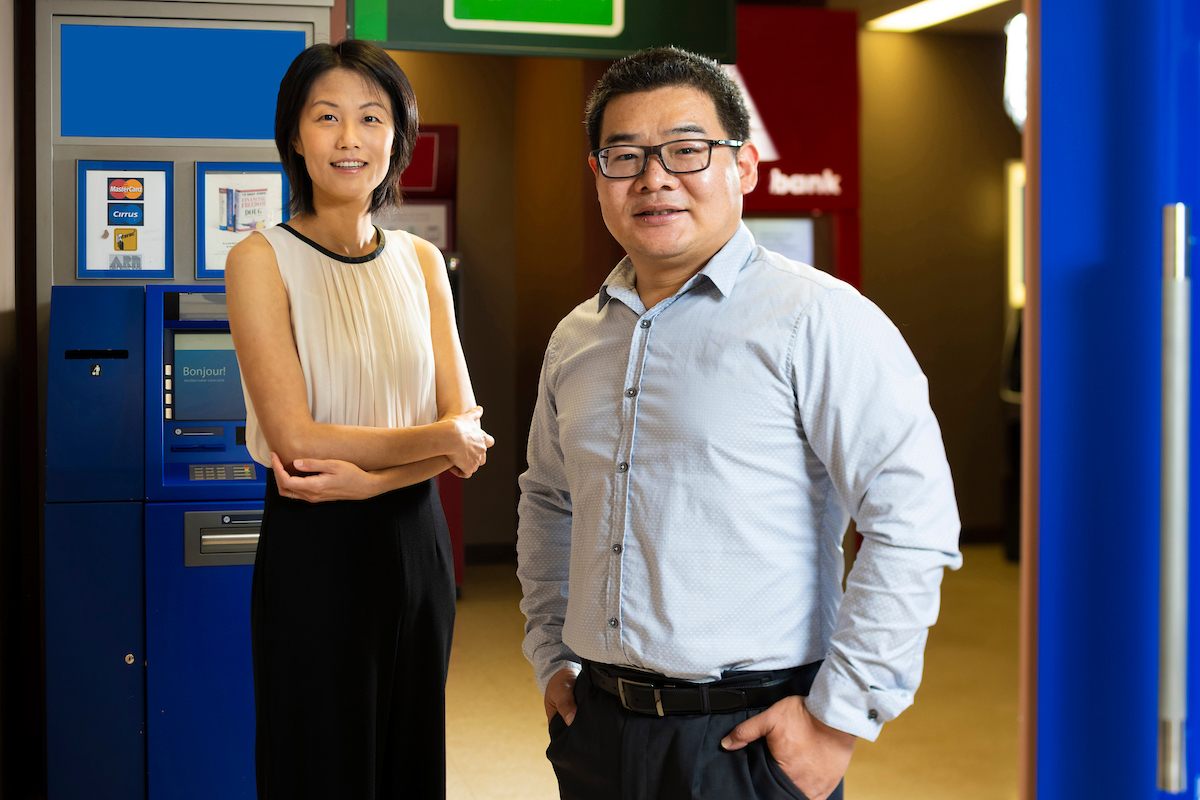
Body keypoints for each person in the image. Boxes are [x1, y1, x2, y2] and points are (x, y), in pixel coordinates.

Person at [517, 46, 961, 800]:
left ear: (744, 166)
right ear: (598, 177)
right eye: (624, 156)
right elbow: (550, 500)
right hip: (598, 732)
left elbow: (911, 522)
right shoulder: (576, 340)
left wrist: (838, 720)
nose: (654, 178)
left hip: (746, 742)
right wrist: (550, 653)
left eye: (686, 151)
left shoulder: (820, 320)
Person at [227, 40, 493, 800]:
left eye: (371, 118)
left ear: (396, 138)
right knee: (319, 760)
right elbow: (298, 439)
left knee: (410, 757)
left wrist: (379, 479)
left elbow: (465, 431)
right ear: (295, 136)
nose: (350, 139)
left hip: (416, 544)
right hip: (314, 547)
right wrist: (439, 443)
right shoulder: (259, 258)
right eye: (328, 118)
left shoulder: (420, 260)